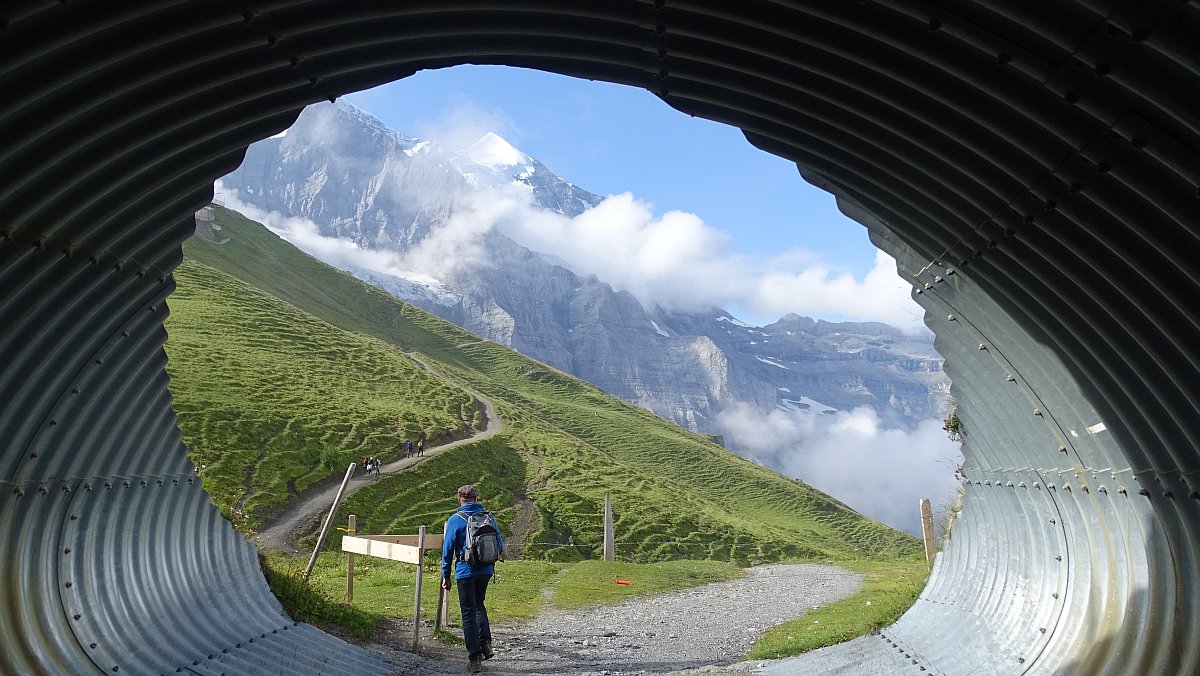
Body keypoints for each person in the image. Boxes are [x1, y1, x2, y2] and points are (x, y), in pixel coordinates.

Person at [441, 484, 504, 673]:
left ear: (459, 499)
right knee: (479, 605)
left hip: (465, 571)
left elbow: (447, 551)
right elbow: (499, 545)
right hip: (486, 570)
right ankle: (486, 645)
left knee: (468, 612)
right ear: (476, 499)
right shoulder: (488, 517)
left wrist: (445, 575)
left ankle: (475, 657)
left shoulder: (455, 520)